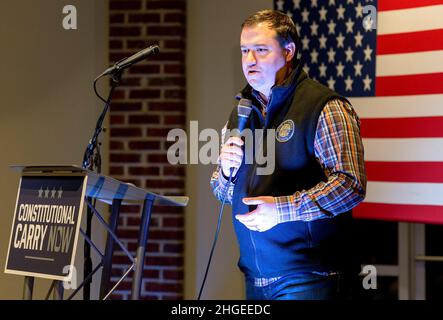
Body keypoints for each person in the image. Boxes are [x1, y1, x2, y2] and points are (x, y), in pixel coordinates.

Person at [210, 9, 367, 300]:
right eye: (245, 50)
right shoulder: (241, 112)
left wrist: (282, 210)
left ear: (289, 51)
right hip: (254, 276)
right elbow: (221, 191)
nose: (249, 61)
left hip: (309, 277)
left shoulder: (324, 106)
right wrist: (226, 169)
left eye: (260, 50)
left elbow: (350, 185)